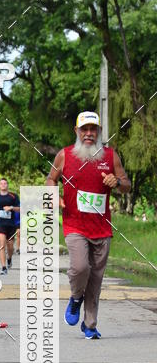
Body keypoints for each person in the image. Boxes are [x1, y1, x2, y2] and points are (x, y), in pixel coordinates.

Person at [46, 110, 130, 339]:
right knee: (80, 267)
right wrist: (54, 196)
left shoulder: (111, 156)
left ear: (99, 132)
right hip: (74, 223)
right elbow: (51, 178)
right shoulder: (64, 155)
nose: (89, 134)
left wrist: (118, 182)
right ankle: (75, 297)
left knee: (96, 278)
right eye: (85, 129)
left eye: (94, 129)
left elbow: (126, 184)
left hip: (101, 227)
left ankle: (90, 325)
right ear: (77, 131)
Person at [0, 178, 20, 275]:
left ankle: (9, 258)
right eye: (1, 183)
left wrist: (11, 207)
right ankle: (3, 267)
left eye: (5, 183)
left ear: (7, 185)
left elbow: (19, 208)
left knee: (10, 246)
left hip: (11, 224)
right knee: (1, 245)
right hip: (0, 224)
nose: (3, 185)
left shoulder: (13, 196)